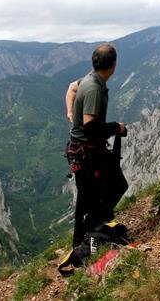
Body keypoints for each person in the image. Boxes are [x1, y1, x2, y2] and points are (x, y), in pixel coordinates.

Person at [65, 44, 128, 248]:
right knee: (112, 188)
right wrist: (116, 128)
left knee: (90, 197)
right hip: (87, 154)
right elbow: (91, 127)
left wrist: (70, 113)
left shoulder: (89, 79)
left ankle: (89, 235)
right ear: (114, 65)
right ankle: (91, 237)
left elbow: (71, 88)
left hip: (83, 151)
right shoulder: (93, 88)